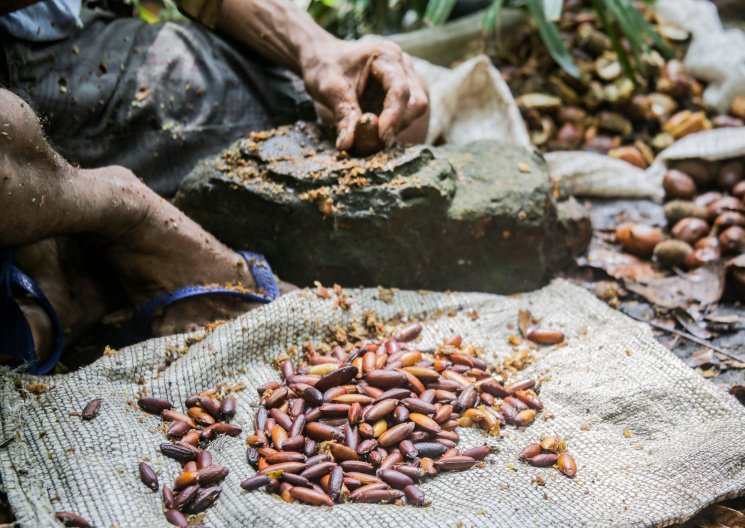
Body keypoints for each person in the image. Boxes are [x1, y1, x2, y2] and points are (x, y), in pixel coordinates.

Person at [0, 0, 430, 374]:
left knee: (384, 110)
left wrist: (316, 47)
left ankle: (69, 254)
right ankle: (122, 214)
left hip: (59, 43)